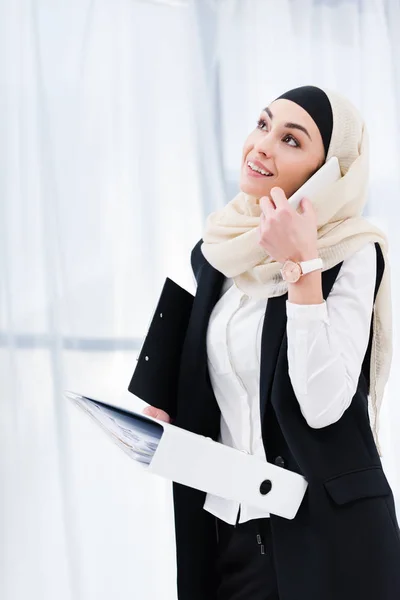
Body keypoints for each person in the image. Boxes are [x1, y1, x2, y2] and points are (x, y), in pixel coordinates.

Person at [141, 85, 400, 599]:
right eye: (262, 125)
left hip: (330, 538)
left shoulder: (349, 250)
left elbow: (323, 406)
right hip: (228, 535)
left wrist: (302, 265)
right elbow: (223, 382)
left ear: (328, 172)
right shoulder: (219, 249)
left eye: (291, 139)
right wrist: (169, 405)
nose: (262, 145)